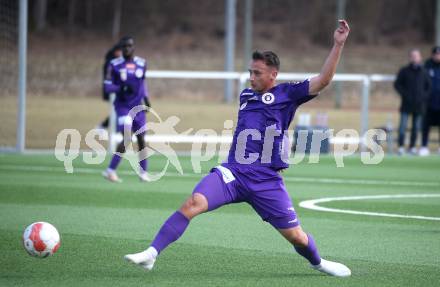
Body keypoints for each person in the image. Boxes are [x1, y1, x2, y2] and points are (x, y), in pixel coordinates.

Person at [124, 20, 351, 277]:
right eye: (250, 72)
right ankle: (151, 254)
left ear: (273, 75)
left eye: (257, 73)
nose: (251, 77)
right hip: (233, 173)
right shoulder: (246, 95)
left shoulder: (288, 94)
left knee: (297, 237)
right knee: (192, 203)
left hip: (266, 181)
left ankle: (318, 262)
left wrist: (337, 44)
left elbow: (324, 80)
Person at [102, 36, 151, 182]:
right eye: (124, 46)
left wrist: (147, 98)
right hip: (123, 106)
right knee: (127, 136)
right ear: (121, 49)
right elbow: (107, 86)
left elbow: (143, 83)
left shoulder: (142, 63)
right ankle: (110, 170)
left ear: (134, 47)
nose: (127, 49)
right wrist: (121, 87)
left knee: (141, 138)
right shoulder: (114, 65)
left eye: (130, 46)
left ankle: (143, 173)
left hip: (138, 106)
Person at [394, 49, 431, 155]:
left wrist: (423, 97)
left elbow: (428, 87)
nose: (414, 58)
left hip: (419, 105)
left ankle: (412, 147)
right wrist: (405, 95)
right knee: (402, 127)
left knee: (416, 128)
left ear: (420, 58)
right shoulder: (404, 71)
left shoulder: (424, 71)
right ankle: (401, 147)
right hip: (406, 104)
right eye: (412, 56)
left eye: (416, 56)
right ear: (410, 57)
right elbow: (397, 84)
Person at [97, 42, 123, 131]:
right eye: (120, 51)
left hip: (116, 90)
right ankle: (103, 126)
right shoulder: (111, 63)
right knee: (116, 112)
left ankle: (103, 126)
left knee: (117, 111)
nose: (121, 54)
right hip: (112, 91)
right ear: (115, 52)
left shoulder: (115, 62)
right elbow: (109, 79)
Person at [420, 46, 440, 156]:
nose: (438, 56)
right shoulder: (427, 66)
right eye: (436, 54)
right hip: (428, 103)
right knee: (426, 125)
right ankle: (424, 146)